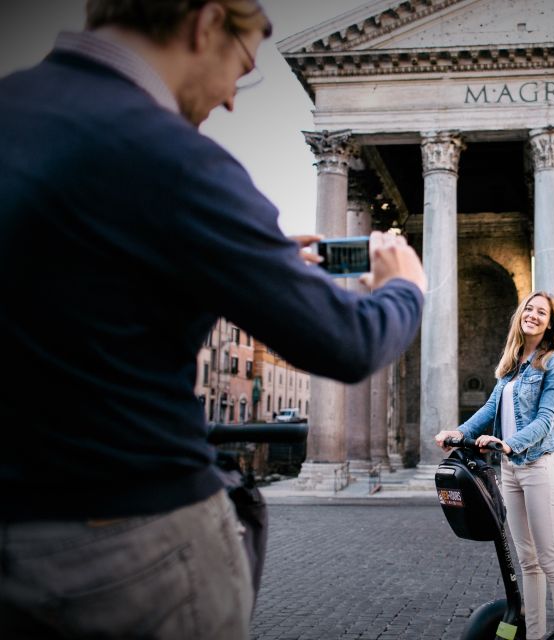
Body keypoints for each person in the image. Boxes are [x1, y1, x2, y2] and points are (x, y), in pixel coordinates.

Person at [0, 1, 426, 638]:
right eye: (241, 67)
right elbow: (347, 342)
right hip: (129, 548)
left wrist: (252, 256)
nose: (231, 99)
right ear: (205, 23)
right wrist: (405, 289)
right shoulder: (174, 157)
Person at [434, 290, 554, 640]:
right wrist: (459, 431)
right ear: (521, 315)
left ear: (550, 323)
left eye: (541, 312)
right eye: (529, 308)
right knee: (527, 560)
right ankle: (534, 636)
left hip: (539, 466)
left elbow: (546, 419)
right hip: (510, 471)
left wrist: (508, 443)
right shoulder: (512, 363)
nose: (533, 315)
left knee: (550, 558)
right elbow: (490, 409)